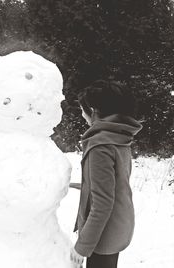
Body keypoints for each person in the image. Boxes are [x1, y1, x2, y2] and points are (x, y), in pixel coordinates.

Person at [70, 80, 142, 268]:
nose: (82, 114)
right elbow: (116, 182)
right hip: (120, 224)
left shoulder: (100, 146)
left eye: (82, 109)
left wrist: (82, 247)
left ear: (93, 111)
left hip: (103, 235)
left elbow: (102, 204)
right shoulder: (119, 137)